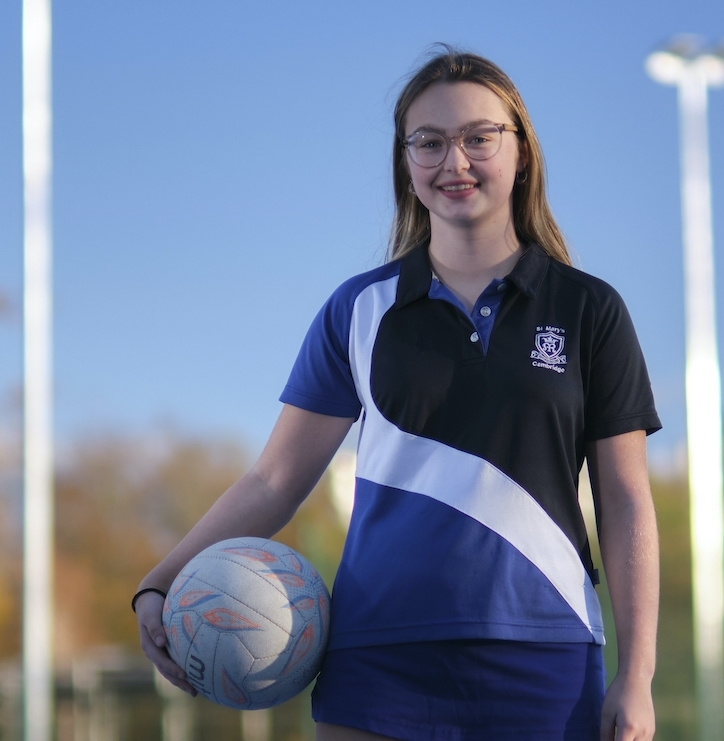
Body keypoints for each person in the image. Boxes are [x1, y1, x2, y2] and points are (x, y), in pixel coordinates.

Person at [135, 47, 661, 741]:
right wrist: (162, 579)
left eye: (479, 137)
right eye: (430, 142)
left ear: (521, 152)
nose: (456, 161)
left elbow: (624, 499)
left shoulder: (590, 309)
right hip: (378, 662)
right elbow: (274, 478)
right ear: (405, 164)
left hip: (547, 654)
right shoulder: (356, 309)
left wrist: (637, 675)